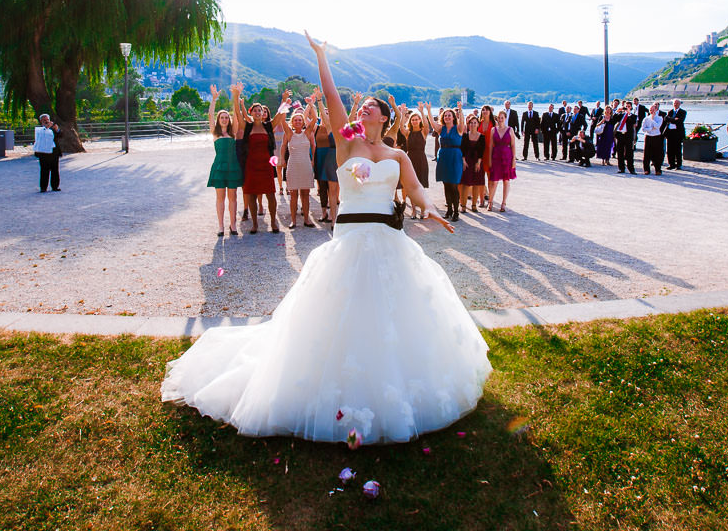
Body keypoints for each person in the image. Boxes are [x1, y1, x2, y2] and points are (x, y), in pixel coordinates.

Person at [162, 31, 490, 444]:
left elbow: (414, 190)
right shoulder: (347, 141)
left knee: (391, 313)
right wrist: (321, 58)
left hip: (387, 239)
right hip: (349, 238)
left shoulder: (397, 155)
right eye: (363, 107)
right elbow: (333, 99)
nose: (364, 109)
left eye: (371, 107)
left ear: (383, 117)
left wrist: (433, 210)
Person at [235, 93, 279, 234]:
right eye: (255, 110)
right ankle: (254, 224)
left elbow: (280, 116)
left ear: (263, 112)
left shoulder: (268, 126)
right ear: (251, 113)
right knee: (251, 194)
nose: (258, 112)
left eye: (260, 110)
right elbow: (238, 114)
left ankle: (273, 222)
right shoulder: (247, 127)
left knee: (271, 194)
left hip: (266, 165)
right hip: (251, 165)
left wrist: (284, 100)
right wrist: (236, 97)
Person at [206, 86, 242, 236]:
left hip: (233, 167)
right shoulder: (215, 133)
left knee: (233, 197)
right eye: (222, 117)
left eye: (226, 117)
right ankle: (221, 226)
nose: (224, 119)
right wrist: (214, 99)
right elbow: (210, 115)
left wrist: (236, 97)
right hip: (219, 168)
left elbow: (237, 115)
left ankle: (233, 225)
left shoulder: (233, 132)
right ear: (219, 119)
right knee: (220, 198)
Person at [278, 98, 318, 228]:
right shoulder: (289, 133)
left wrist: (311, 104)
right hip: (293, 166)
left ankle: (306, 219)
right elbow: (282, 120)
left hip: (305, 165)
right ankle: (293, 221)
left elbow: (315, 118)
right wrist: (285, 103)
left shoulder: (308, 132)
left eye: (300, 120)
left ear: (303, 122)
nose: (298, 122)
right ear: (292, 122)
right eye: (295, 120)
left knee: (305, 194)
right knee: (293, 195)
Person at [429, 106, 464, 221]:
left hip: (455, 157)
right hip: (443, 157)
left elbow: (462, 122)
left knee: (453, 185)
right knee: (446, 184)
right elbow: (432, 123)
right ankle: (449, 210)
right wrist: (428, 110)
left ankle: (456, 212)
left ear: (453, 117)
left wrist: (460, 110)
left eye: (449, 115)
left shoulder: (458, 128)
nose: (447, 117)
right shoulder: (441, 129)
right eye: (445, 115)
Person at [403, 104, 432, 219]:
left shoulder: (423, 132)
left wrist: (422, 112)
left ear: (419, 120)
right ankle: (414, 210)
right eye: (413, 119)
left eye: (416, 119)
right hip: (410, 160)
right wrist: (402, 114)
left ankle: (423, 209)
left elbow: (427, 125)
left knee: (421, 187)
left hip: (421, 159)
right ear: (410, 121)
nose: (415, 121)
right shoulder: (408, 133)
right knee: (411, 187)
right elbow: (401, 128)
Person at [313, 94, 339, 223]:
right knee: (324, 188)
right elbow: (322, 114)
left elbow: (351, 119)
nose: (327, 115)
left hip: (335, 161)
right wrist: (318, 101)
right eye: (325, 114)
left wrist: (356, 104)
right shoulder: (322, 128)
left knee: (333, 191)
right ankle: (327, 214)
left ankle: (334, 216)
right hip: (323, 160)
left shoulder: (338, 128)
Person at [488, 110, 517, 210]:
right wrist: (489, 159)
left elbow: (513, 145)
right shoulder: (493, 130)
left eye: (502, 118)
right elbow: (491, 146)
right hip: (496, 156)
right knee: (494, 181)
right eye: (499, 118)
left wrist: (514, 159)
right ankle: (490, 202)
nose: (500, 120)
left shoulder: (510, 130)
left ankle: (503, 203)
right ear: (496, 118)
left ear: (505, 119)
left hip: (507, 157)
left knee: (506, 180)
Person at [460, 115, 487, 213]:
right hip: (466, 161)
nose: (473, 124)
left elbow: (482, 151)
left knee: (476, 184)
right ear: (468, 124)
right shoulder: (465, 136)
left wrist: (478, 163)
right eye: (471, 123)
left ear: (478, 124)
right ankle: (463, 205)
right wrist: (463, 161)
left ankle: (474, 205)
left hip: (477, 162)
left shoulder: (482, 137)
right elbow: (462, 149)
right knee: (465, 184)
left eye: (475, 123)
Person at [33, 113, 61, 192]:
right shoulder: (39, 130)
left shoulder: (53, 128)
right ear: (41, 121)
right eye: (44, 120)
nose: (46, 121)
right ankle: (43, 187)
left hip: (53, 152)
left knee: (55, 170)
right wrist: (46, 128)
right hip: (43, 153)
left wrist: (57, 130)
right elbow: (39, 138)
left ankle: (55, 186)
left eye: (47, 120)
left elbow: (60, 135)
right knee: (44, 170)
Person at [640, 102, 664, 175]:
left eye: (653, 110)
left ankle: (658, 169)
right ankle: (646, 169)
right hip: (648, 136)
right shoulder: (646, 119)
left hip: (656, 136)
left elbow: (657, 126)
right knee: (646, 154)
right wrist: (650, 129)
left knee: (657, 154)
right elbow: (643, 129)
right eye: (650, 110)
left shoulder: (660, 118)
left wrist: (653, 119)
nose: (651, 112)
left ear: (656, 110)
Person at [612, 102, 637, 174]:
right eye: (626, 106)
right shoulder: (620, 115)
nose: (627, 108)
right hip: (620, 135)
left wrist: (628, 113)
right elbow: (613, 120)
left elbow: (633, 121)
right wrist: (617, 111)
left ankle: (631, 169)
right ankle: (621, 168)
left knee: (629, 153)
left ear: (631, 107)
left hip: (628, 136)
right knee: (620, 152)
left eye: (628, 106)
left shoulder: (633, 116)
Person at [663, 99, 686, 170]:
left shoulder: (683, 112)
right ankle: (671, 164)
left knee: (678, 150)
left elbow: (680, 121)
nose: (675, 104)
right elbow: (666, 119)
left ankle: (679, 165)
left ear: (679, 104)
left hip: (678, 133)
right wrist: (674, 119)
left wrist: (671, 120)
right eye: (674, 103)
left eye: (677, 103)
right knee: (670, 150)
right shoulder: (670, 111)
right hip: (670, 133)